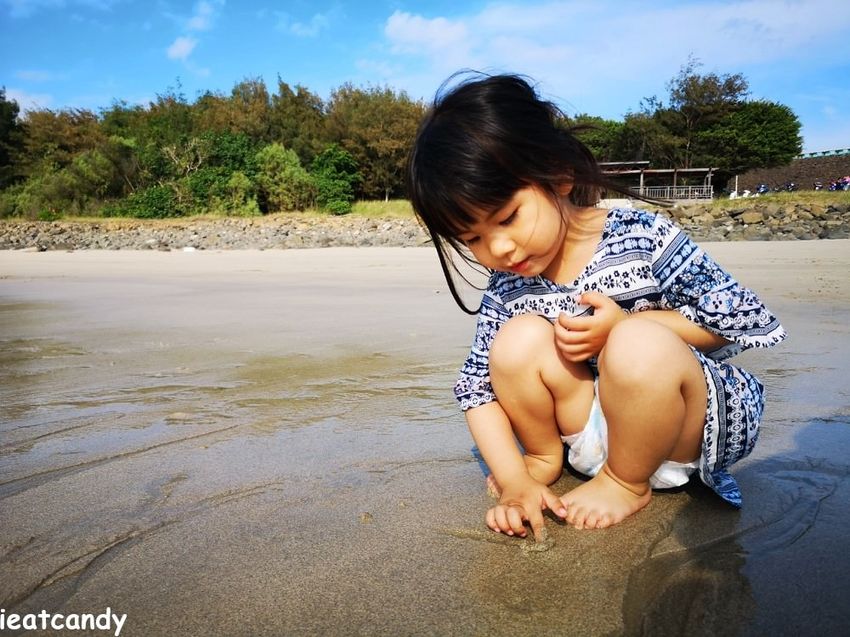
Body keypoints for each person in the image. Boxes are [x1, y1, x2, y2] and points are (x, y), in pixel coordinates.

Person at [406, 73, 787, 541]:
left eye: (507, 218)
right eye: (474, 239)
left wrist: (626, 325)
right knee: (517, 339)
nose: (499, 249)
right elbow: (476, 389)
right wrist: (513, 482)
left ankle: (626, 483)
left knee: (635, 339)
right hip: (589, 435)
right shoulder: (508, 285)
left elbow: (735, 319)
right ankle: (544, 459)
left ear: (558, 175)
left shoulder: (640, 236)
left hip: (680, 431)